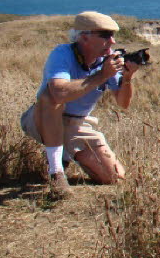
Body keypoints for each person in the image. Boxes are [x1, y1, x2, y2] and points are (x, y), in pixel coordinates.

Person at [20, 11, 140, 198]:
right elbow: (58, 93)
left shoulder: (106, 62)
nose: (112, 42)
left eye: (113, 36)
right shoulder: (62, 54)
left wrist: (127, 78)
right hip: (44, 119)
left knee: (115, 177)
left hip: (77, 124)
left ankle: (65, 154)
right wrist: (102, 75)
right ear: (84, 38)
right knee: (50, 97)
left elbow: (123, 103)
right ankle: (56, 172)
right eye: (106, 36)